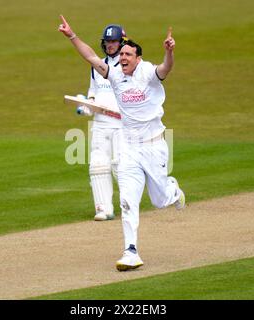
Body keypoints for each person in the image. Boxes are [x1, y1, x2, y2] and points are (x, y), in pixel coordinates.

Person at [58, 15, 185, 271]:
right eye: (122, 54)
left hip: (153, 145)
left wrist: (169, 52)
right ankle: (130, 251)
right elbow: (91, 58)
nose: (123, 57)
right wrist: (72, 36)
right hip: (128, 148)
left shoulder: (148, 72)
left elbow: (166, 69)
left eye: (128, 54)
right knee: (128, 201)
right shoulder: (114, 75)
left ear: (138, 58)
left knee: (160, 201)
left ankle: (173, 189)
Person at [78, 24, 127, 222]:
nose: (110, 45)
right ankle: (103, 208)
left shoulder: (128, 66)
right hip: (100, 123)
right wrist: (87, 106)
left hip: (121, 124)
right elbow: (94, 93)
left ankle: (128, 205)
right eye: (107, 42)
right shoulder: (96, 66)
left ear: (121, 42)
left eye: (114, 41)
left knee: (120, 165)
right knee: (98, 165)